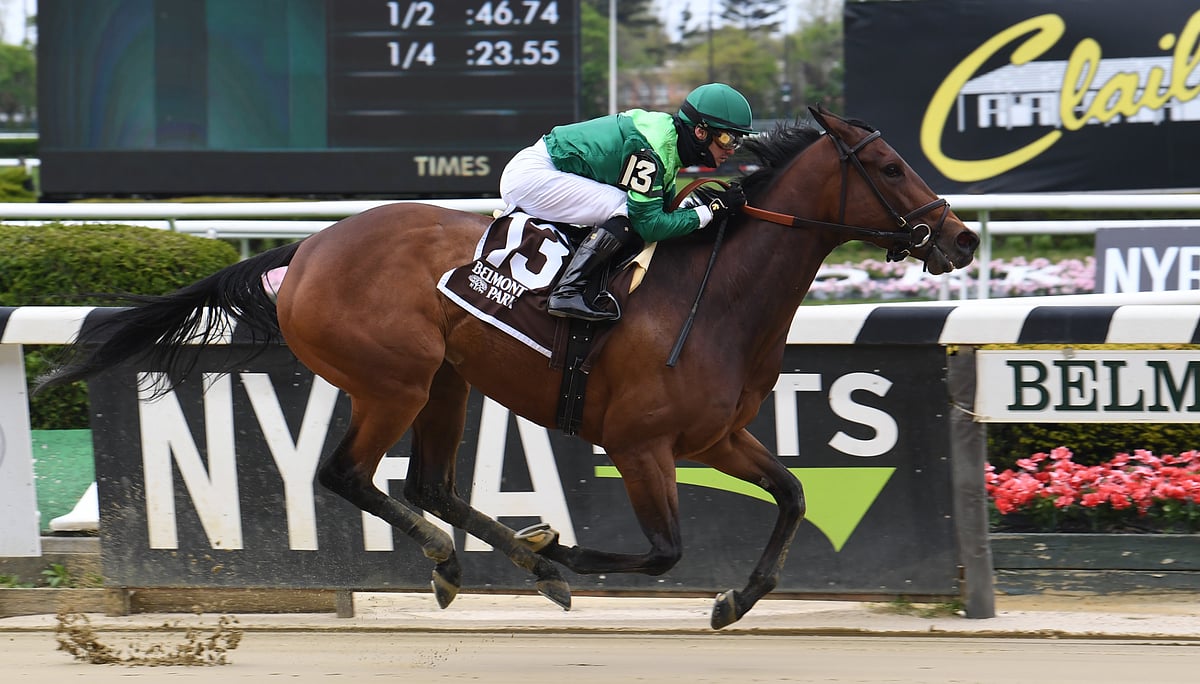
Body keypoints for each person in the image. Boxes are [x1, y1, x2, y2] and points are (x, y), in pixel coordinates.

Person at [499, 83, 754, 322]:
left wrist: (706, 210)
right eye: (728, 139)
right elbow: (649, 225)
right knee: (628, 210)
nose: (732, 149)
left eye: (738, 140)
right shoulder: (651, 147)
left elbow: (665, 213)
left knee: (634, 209)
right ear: (700, 132)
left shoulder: (668, 141)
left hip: (543, 170)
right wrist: (711, 210)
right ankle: (567, 291)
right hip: (533, 176)